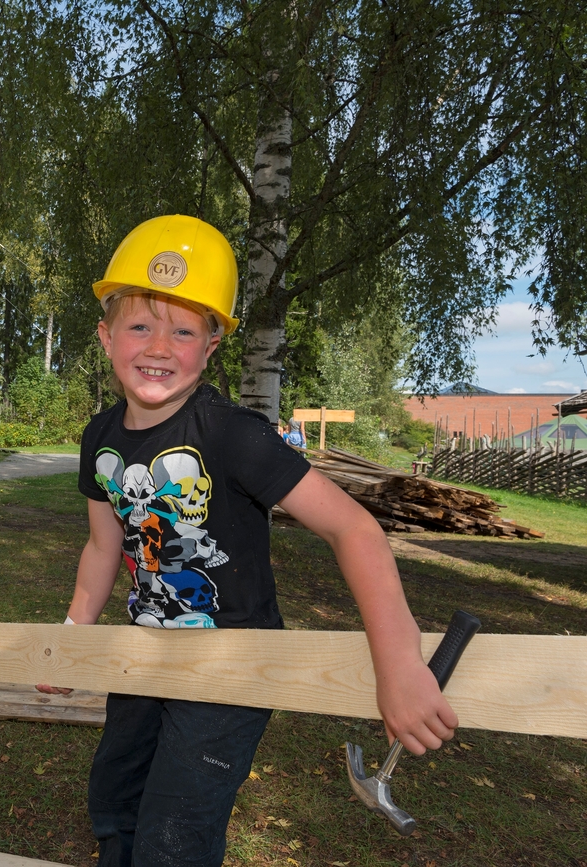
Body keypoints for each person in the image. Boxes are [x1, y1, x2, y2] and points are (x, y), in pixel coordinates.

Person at [49, 215, 456, 867]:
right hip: (139, 655)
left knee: (173, 836)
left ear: (211, 346)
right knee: (114, 804)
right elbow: (103, 548)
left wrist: (400, 662)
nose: (159, 344)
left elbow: (352, 527)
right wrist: (71, 637)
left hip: (231, 668)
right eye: (140, 324)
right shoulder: (100, 437)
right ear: (105, 335)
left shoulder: (233, 434)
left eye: (183, 329)